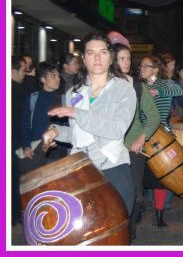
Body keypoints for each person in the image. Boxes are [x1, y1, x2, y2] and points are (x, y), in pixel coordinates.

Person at [42, 34, 137, 216]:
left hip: (113, 165)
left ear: (110, 58)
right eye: (91, 53)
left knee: (116, 231)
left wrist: (78, 113)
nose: (97, 57)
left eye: (102, 52)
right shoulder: (73, 93)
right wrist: (56, 132)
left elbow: (116, 129)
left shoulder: (123, 89)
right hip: (81, 168)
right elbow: (78, 133)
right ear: (84, 60)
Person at [113, 43, 161, 240]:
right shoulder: (104, 84)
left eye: (128, 58)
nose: (126, 62)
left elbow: (153, 116)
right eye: (121, 58)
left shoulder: (137, 85)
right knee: (114, 196)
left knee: (137, 196)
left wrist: (142, 137)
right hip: (110, 149)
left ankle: (129, 233)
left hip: (133, 147)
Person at [139, 55, 183, 229]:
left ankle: (159, 214)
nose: (141, 68)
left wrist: (160, 92)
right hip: (140, 135)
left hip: (161, 136)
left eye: (145, 66)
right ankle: (139, 209)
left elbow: (179, 91)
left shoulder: (165, 83)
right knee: (140, 177)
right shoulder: (138, 85)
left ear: (156, 69)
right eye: (140, 65)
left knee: (160, 180)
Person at [19, 61, 66, 175]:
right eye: (53, 76)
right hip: (35, 150)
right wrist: (26, 146)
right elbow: (25, 124)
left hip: (57, 151)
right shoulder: (33, 98)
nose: (58, 79)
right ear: (43, 79)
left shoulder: (64, 99)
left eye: (58, 76)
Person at [11, 56, 28, 226]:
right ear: (13, 71)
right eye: (23, 70)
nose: (25, 73)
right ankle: (14, 215)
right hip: (13, 141)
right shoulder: (17, 92)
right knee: (14, 179)